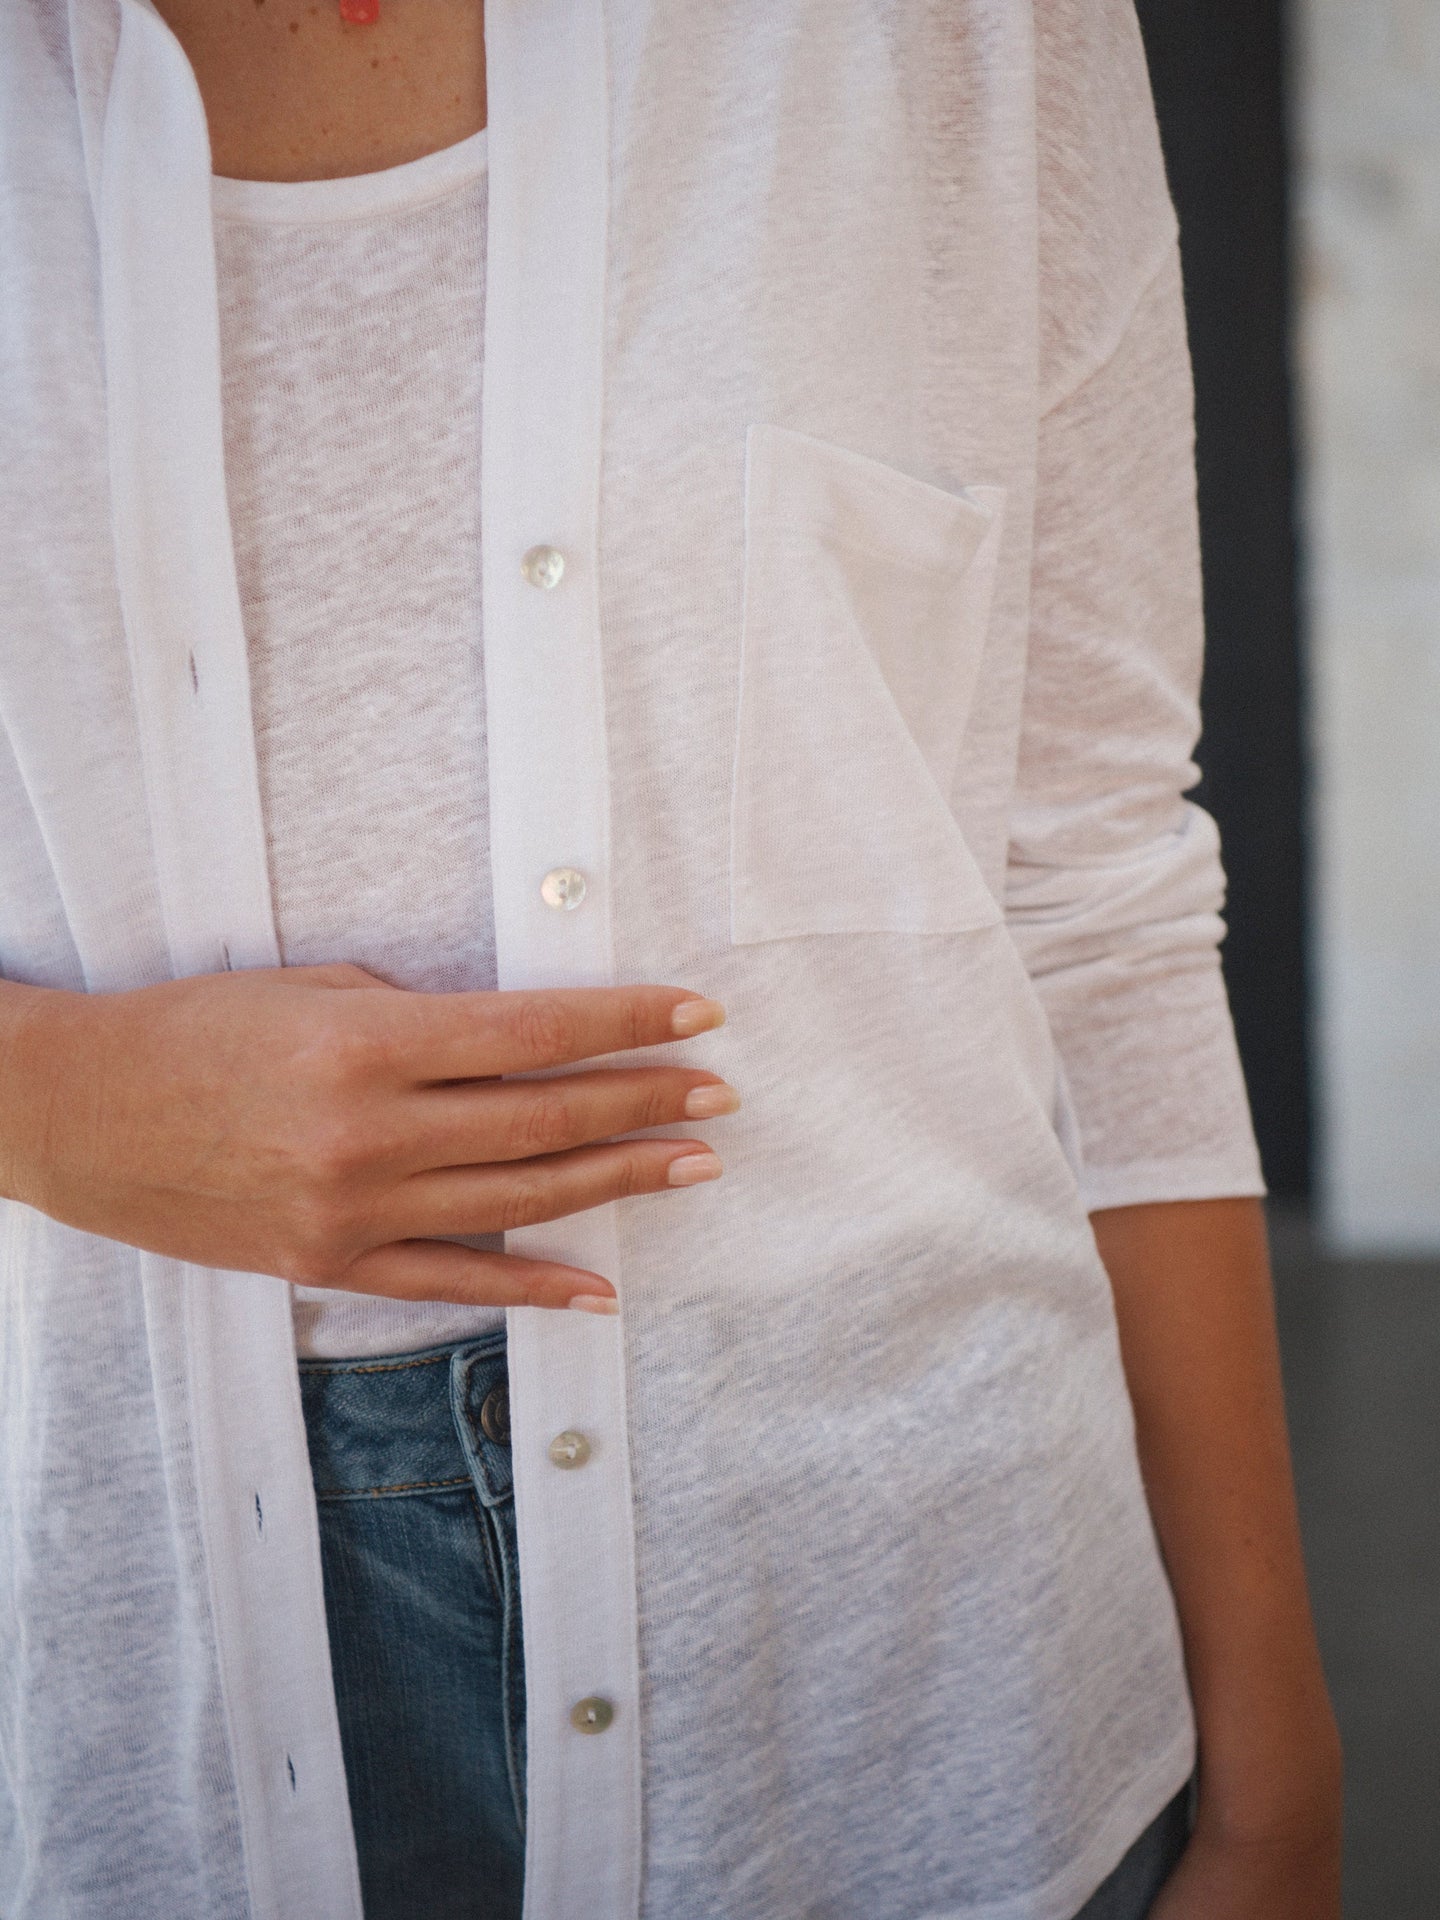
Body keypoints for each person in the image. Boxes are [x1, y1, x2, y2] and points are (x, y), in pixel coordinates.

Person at [0, 1, 1342, 1916]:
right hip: (139, 1656)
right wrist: (40, 1101)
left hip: (923, 1665)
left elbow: (1099, 882)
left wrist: (1278, 1781)